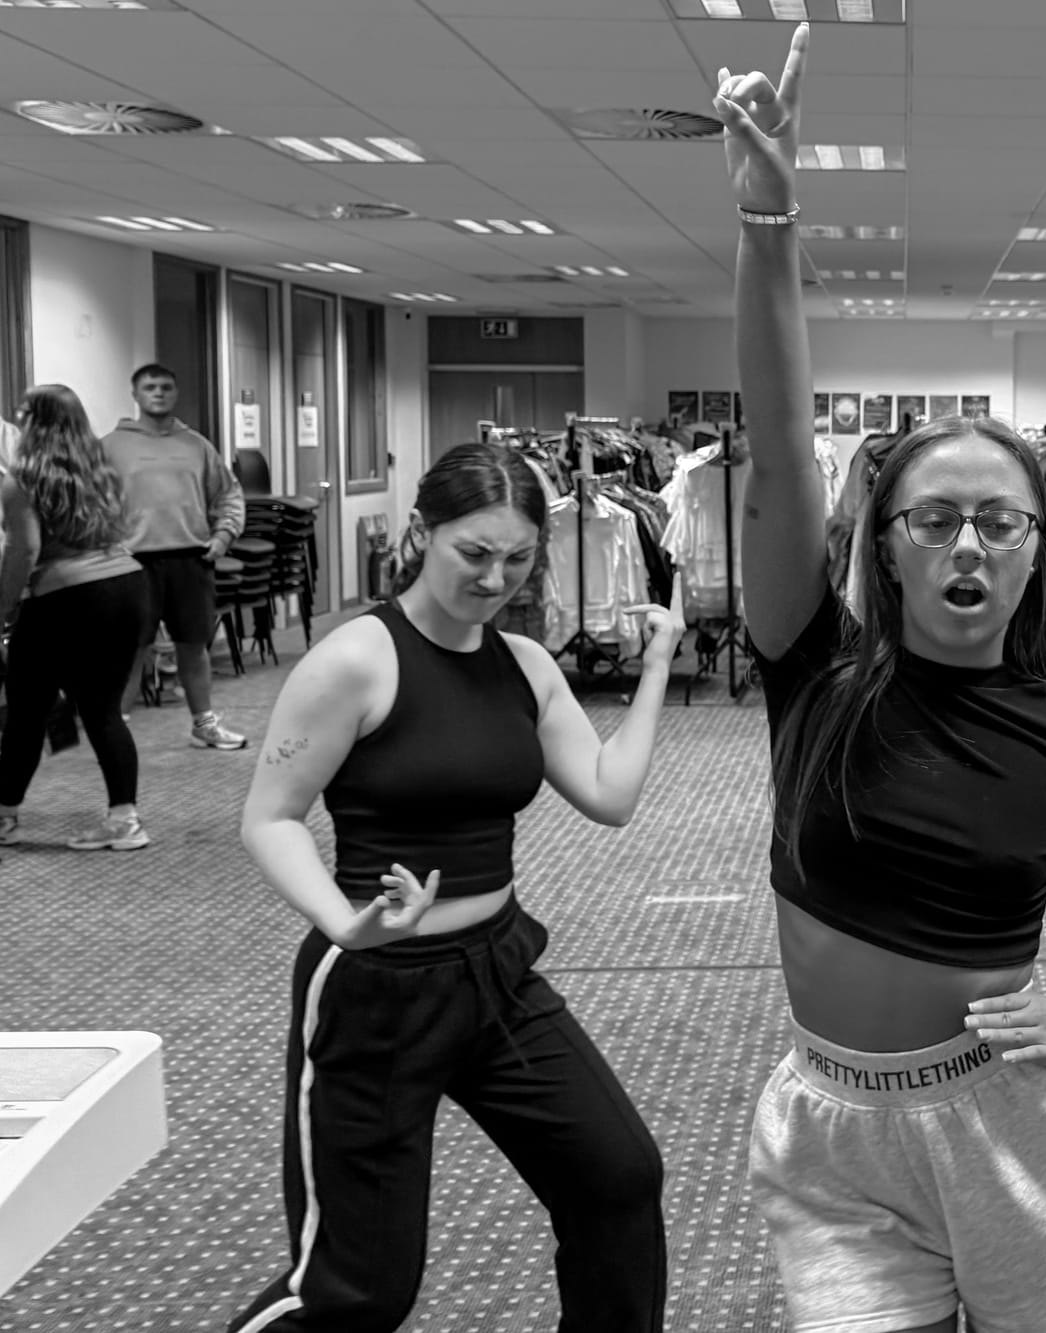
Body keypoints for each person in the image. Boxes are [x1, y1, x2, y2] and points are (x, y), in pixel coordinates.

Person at [715, 26, 1046, 1333]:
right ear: (885, 543)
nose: (968, 544)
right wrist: (770, 221)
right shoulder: (813, 669)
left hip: (1007, 1118)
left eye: (999, 521)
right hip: (834, 1129)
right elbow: (780, 452)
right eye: (935, 517)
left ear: (1033, 549)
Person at [228, 442, 685, 1333]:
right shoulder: (357, 659)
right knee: (358, 1290)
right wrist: (344, 924)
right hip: (377, 990)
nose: (494, 579)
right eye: (473, 553)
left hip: (496, 972)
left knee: (618, 1180)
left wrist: (659, 664)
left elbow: (609, 795)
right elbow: (270, 818)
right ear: (421, 532)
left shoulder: (524, 663)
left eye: (517, 559)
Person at [0, 385, 151, 851]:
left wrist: (4, 607)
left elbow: (24, 550)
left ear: (33, 423)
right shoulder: (102, 470)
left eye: (22, 416)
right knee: (103, 712)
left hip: (68, 598)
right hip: (125, 585)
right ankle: (125, 820)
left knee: (26, 711)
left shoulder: (22, 480)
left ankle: (4, 814)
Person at [101, 363, 248, 749]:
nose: (159, 393)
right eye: (150, 387)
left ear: (176, 393)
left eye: (166, 386)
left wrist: (223, 536)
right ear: (135, 394)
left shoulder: (196, 445)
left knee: (193, 646)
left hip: (190, 559)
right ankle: (115, 734)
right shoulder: (109, 447)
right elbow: (91, 503)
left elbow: (228, 494)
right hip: (132, 563)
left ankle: (204, 725)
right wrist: (105, 548)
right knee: (130, 650)